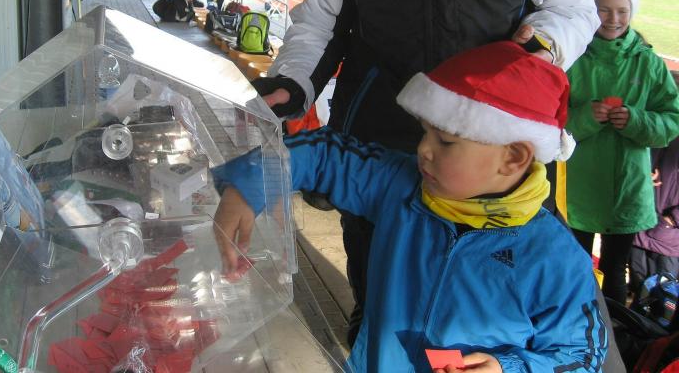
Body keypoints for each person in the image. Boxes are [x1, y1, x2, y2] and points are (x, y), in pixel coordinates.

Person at [252, 0, 599, 344]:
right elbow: (319, 20)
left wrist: (534, 48)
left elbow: (573, 9)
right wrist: (292, 82)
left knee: (494, 320)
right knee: (380, 305)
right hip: (381, 143)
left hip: (494, 154)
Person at [214, 42, 607, 372]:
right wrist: (253, 182)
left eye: (446, 141)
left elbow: (582, 356)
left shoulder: (555, 258)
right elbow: (326, 155)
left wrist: (508, 368)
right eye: (425, 133)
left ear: (513, 157)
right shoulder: (399, 186)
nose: (423, 149)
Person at [565, 0, 679, 304]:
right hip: (578, 188)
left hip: (627, 188)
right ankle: (582, 327)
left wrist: (637, 120)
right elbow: (548, 121)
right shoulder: (572, 58)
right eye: (603, 9)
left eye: (622, 11)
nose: (613, 18)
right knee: (576, 268)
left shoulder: (649, 63)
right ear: (590, 10)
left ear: (632, 13)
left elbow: (671, 120)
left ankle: (616, 328)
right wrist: (586, 117)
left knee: (615, 270)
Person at [630, 125, 679, 290]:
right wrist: (642, 175)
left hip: (668, 239)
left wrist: (672, 219)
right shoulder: (655, 129)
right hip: (639, 227)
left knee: (663, 296)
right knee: (639, 293)